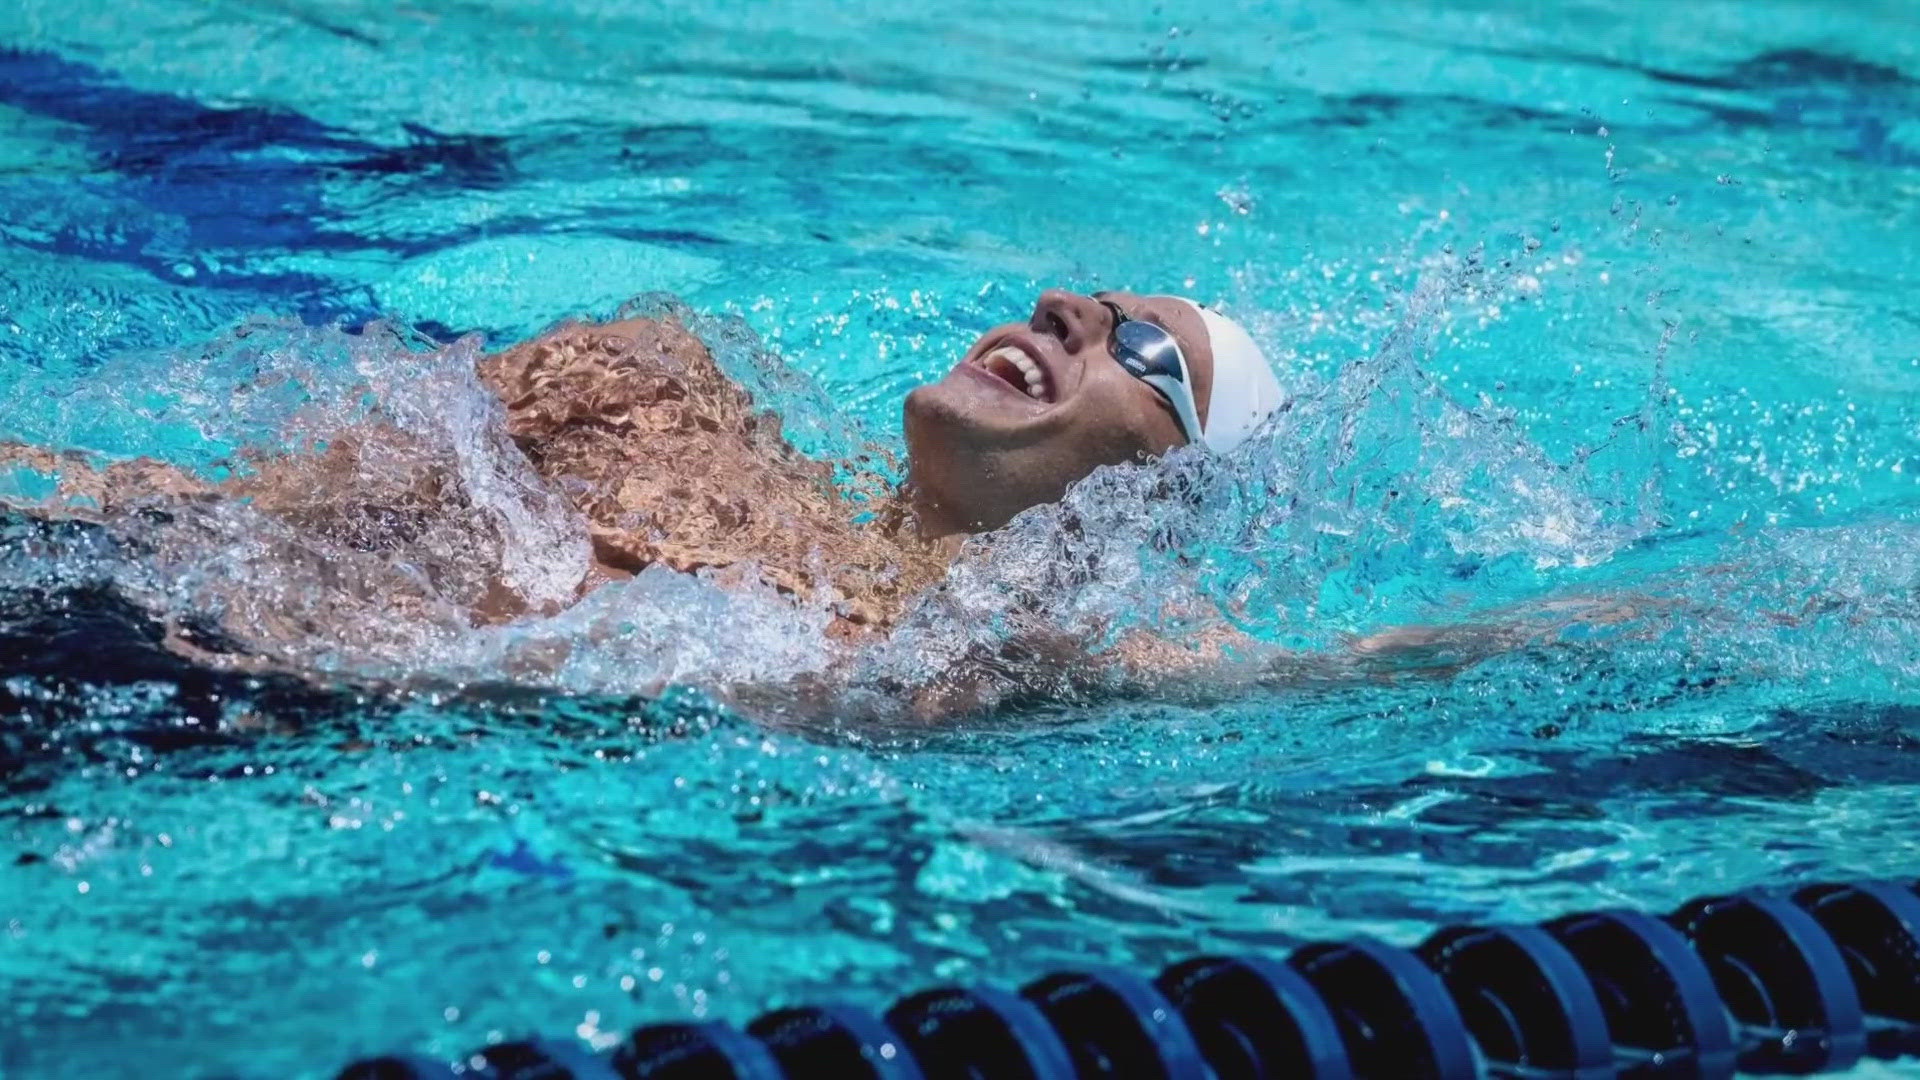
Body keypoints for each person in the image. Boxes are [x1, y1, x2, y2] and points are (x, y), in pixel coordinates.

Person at [1, 286, 1578, 721]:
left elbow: (1382, 668)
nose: (1066, 309)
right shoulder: (661, 391)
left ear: (1163, 485)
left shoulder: (1004, 656)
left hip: (205, 716)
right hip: (100, 591)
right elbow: (209, 494)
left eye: (1144, 345)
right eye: (1083, 294)